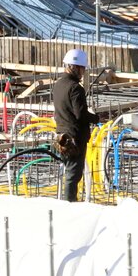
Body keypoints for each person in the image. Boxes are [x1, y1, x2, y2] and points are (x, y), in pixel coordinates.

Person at [52, 48, 100, 202]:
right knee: (73, 175)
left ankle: (69, 202)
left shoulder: (58, 85)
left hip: (61, 137)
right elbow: (80, 114)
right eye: (82, 69)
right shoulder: (76, 89)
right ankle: (69, 206)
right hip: (75, 139)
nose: (83, 72)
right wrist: (95, 118)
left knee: (68, 173)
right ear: (75, 67)